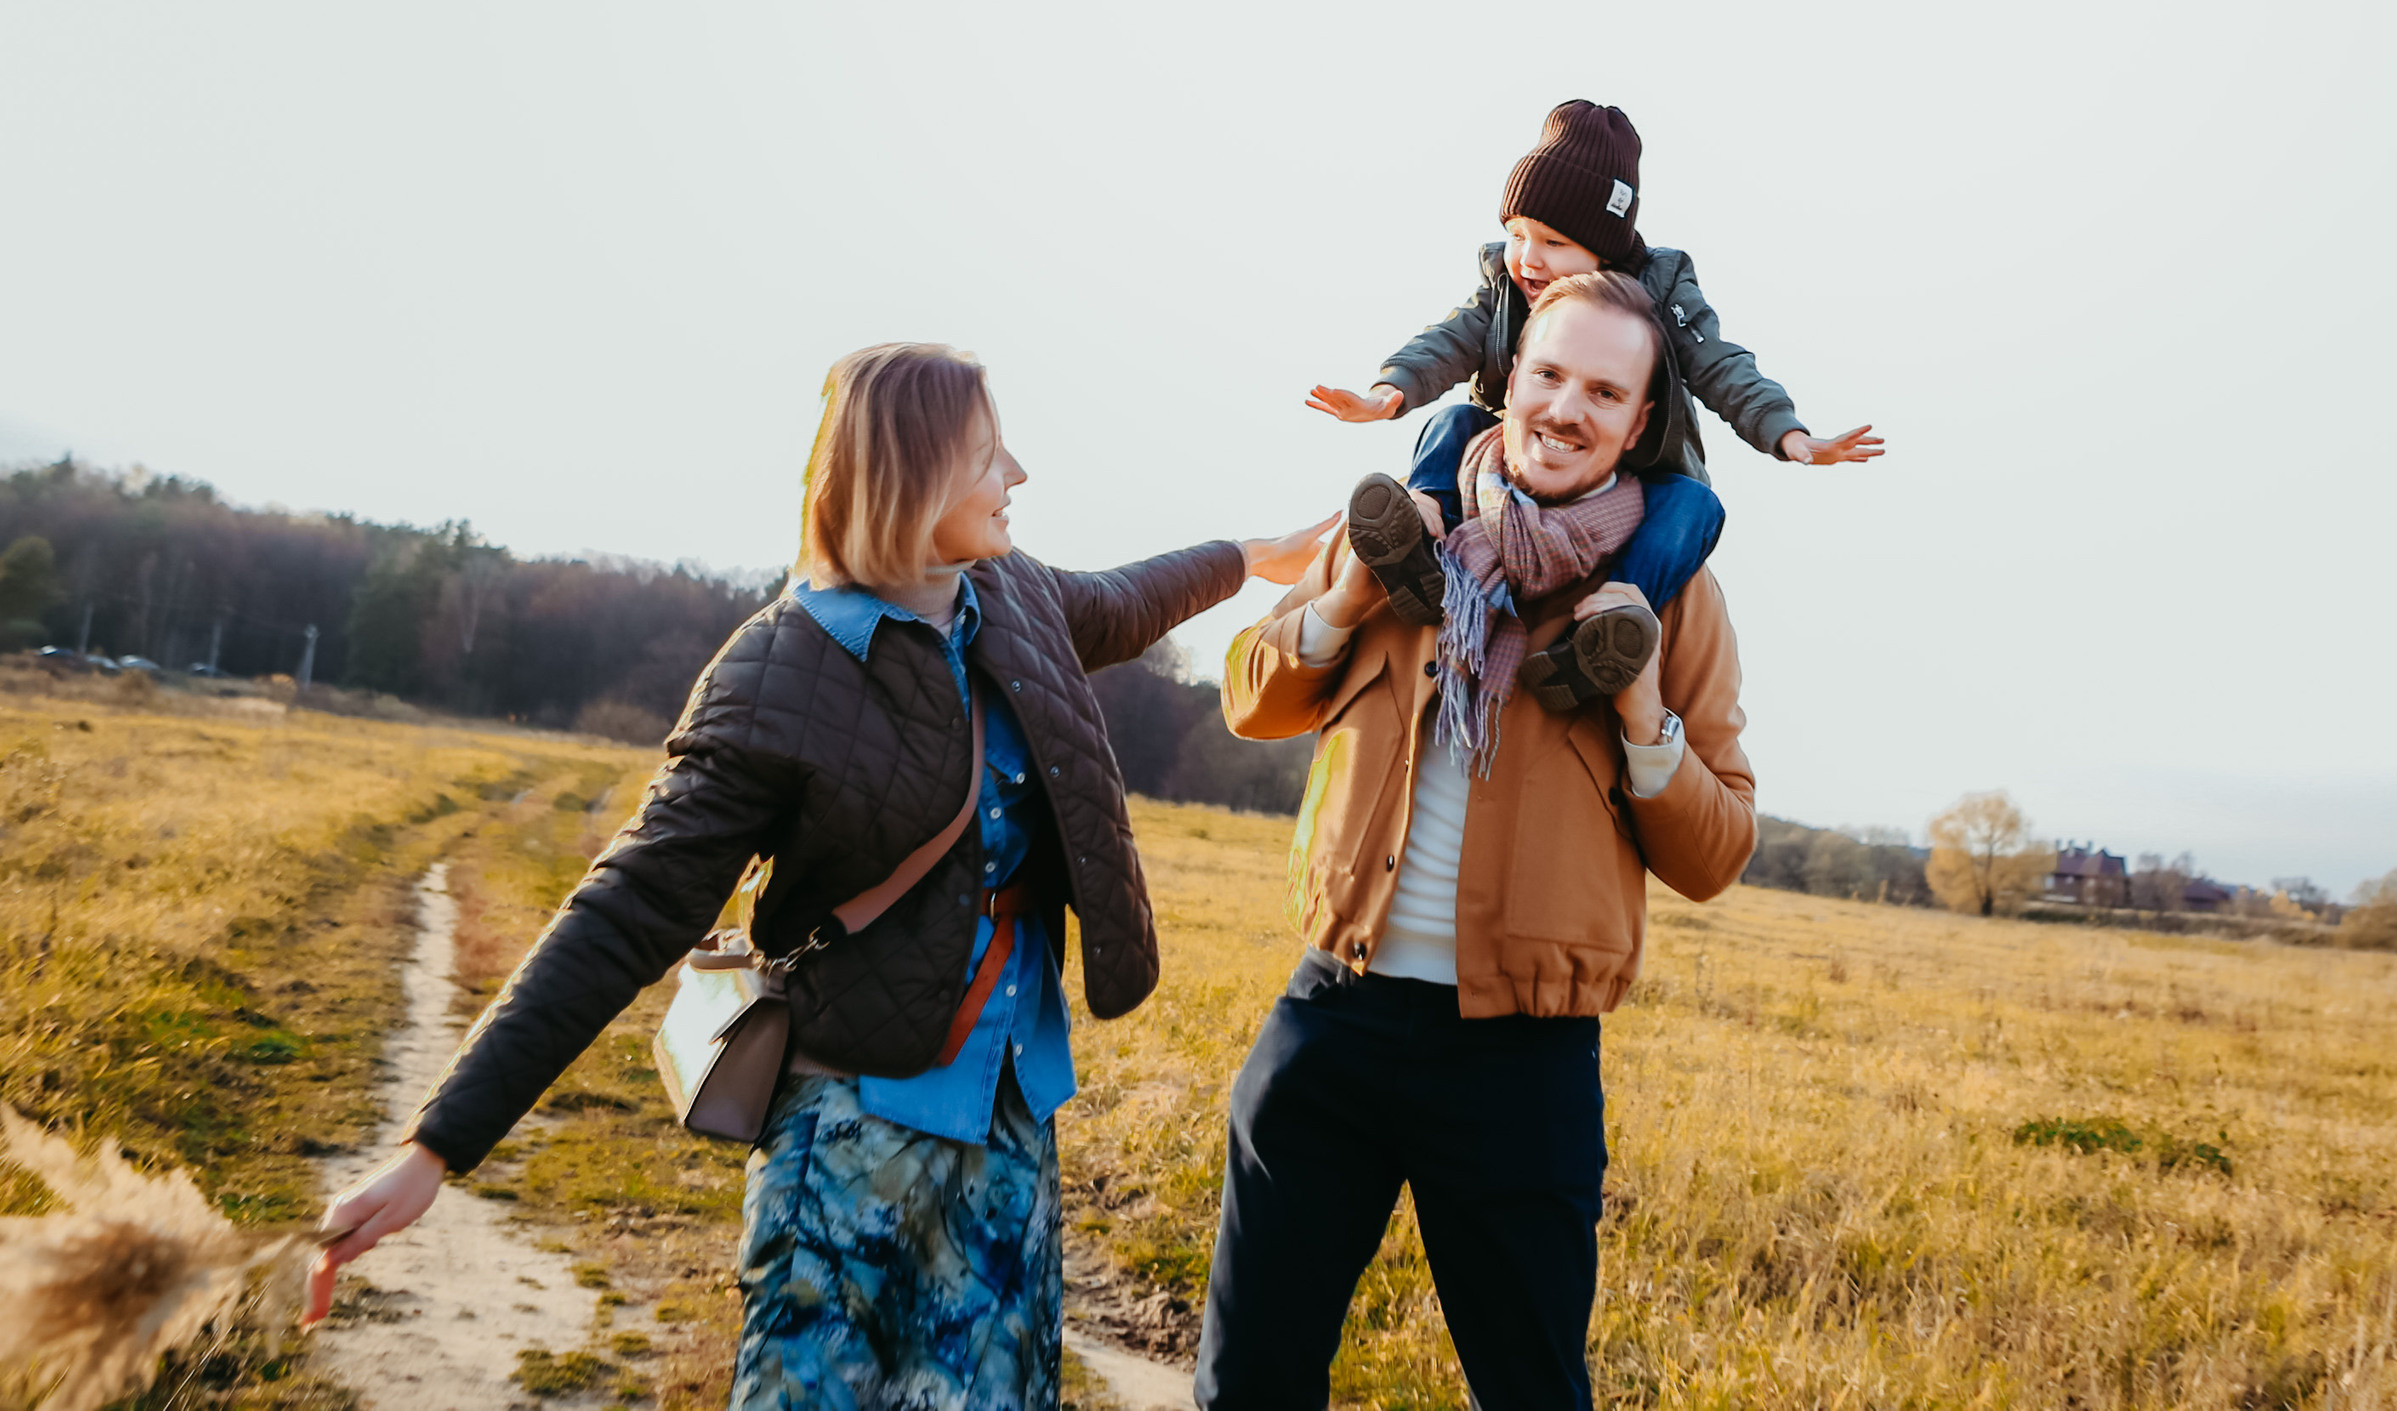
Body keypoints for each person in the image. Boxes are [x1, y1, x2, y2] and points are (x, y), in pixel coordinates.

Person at [305, 342, 1333, 1411]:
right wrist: (436, 1145)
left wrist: (1250, 554)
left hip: (1011, 1124)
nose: (1017, 474)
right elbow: (625, 911)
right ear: (912, 477)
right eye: (989, 454)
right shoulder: (777, 671)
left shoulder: (1013, 598)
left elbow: (1124, 601)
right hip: (849, 1135)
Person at [1207, 271, 1759, 1409]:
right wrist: (1346, 598)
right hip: (1331, 1024)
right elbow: (1251, 696)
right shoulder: (1402, 529)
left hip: (1523, 1063)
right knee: (1250, 1381)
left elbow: (1717, 854)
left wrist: (1643, 711)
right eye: (1549, 373)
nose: (1565, 408)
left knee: (1531, 1392)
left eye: (1605, 392)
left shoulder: (1671, 600)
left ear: (1641, 424)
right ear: (1507, 379)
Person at [1307, 99, 1883, 700]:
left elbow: (1719, 363)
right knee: (1453, 421)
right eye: (1517, 235)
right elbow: (1449, 341)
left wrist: (1787, 434)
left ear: (1603, 249)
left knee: (1696, 507)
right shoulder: (1505, 285)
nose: (1529, 258)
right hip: (1526, 451)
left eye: (1553, 242)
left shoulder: (1657, 289)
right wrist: (1388, 392)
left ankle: (1606, 634)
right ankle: (1422, 544)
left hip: (1635, 470)